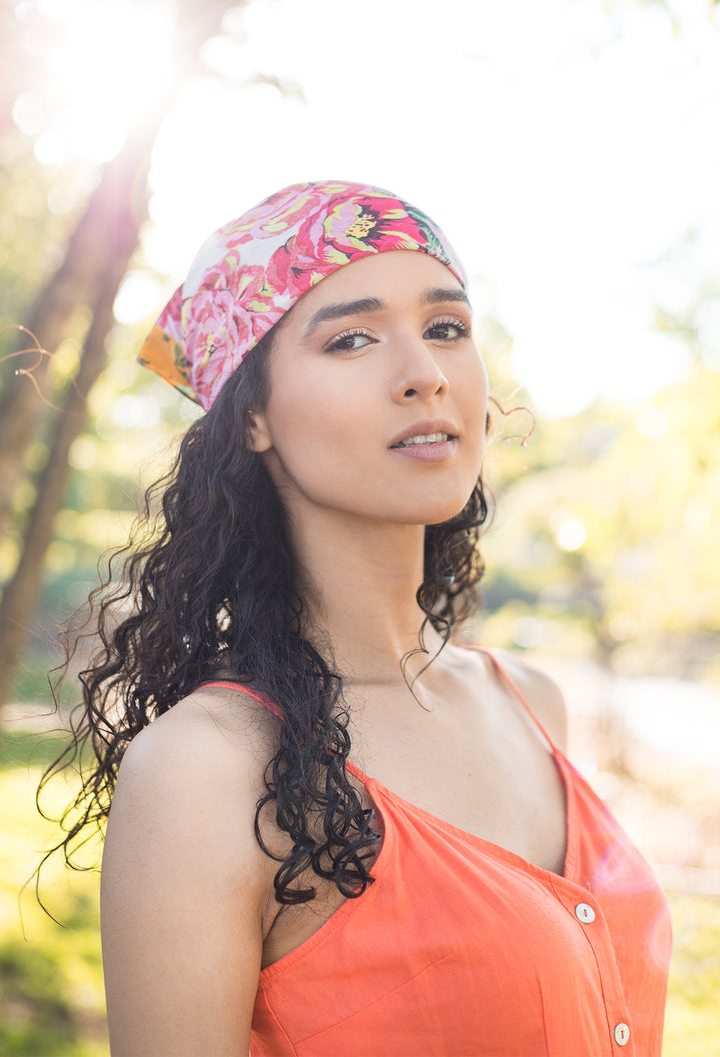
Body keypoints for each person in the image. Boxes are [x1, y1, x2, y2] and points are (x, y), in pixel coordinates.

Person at [50, 181, 671, 1055]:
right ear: (254, 414)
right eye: (351, 338)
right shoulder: (209, 769)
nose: (425, 372)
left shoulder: (532, 700)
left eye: (447, 327)